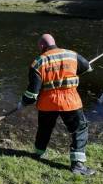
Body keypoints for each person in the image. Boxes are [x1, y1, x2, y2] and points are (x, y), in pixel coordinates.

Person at [18, 34, 95, 176]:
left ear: (42, 46)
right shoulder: (72, 55)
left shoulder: (38, 63)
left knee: (44, 129)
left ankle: (38, 154)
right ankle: (77, 165)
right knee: (79, 130)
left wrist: (22, 102)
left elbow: (32, 94)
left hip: (48, 103)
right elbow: (87, 68)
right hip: (70, 102)